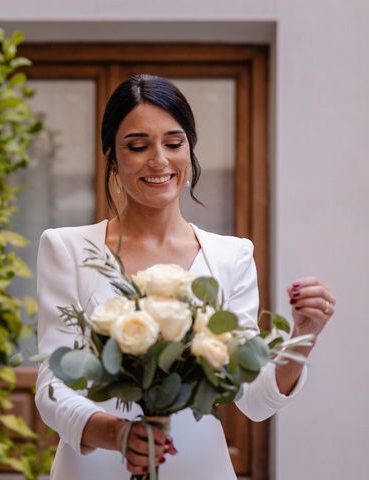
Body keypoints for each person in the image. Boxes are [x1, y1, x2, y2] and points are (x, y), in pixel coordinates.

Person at [34, 74, 336, 479]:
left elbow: (255, 400)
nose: (158, 160)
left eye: (173, 144)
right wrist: (118, 434)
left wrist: (304, 334)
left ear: (189, 151)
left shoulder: (232, 256)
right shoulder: (66, 248)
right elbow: (53, 387)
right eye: (138, 146)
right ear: (112, 156)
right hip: (95, 468)